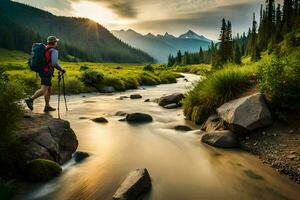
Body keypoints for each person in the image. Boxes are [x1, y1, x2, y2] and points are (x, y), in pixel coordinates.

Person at [25, 36, 65, 112]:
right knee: (44, 89)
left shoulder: (45, 49)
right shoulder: (53, 50)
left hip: (42, 70)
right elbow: (54, 63)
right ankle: (30, 99)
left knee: (49, 89)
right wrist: (61, 69)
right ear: (54, 42)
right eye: (56, 41)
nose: (57, 43)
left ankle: (47, 106)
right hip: (46, 72)